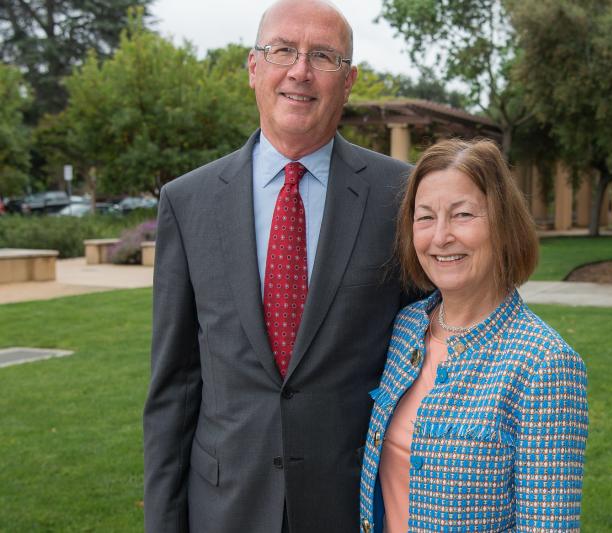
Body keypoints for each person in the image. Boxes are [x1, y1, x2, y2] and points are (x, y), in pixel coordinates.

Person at [143, 1, 412, 531]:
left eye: (323, 56)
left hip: (352, 504)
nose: (300, 70)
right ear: (253, 67)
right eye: (282, 50)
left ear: (349, 79)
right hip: (224, 505)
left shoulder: (399, 196)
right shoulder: (187, 201)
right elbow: (174, 385)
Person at [359, 139, 589, 532]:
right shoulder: (407, 327)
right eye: (425, 217)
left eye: (462, 214)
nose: (441, 236)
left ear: (502, 224)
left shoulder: (544, 365)